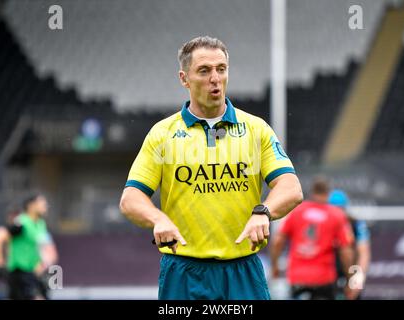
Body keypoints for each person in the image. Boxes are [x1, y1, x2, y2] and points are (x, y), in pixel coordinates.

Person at [119, 36, 303, 300]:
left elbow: (291, 187)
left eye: (221, 69)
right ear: (184, 79)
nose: (215, 78)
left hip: (243, 270)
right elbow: (130, 199)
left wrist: (264, 212)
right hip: (184, 271)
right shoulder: (162, 134)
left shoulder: (255, 129)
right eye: (204, 71)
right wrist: (158, 219)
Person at [270, 177, 355, 300]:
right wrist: (349, 279)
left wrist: (275, 266)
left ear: (311, 193)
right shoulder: (337, 215)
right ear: (328, 193)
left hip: (297, 278)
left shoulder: (296, 212)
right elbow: (346, 251)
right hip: (323, 279)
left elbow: (278, 241)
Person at [0, 193, 58, 300]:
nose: (46, 206)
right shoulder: (21, 223)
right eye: (42, 203)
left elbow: (46, 248)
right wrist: (0, 266)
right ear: (31, 206)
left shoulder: (40, 224)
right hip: (21, 273)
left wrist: (43, 264)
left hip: (33, 274)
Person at [329, 189, 371, 300]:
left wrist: (357, 281)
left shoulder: (357, 224)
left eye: (340, 209)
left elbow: (363, 254)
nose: (337, 213)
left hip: (350, 272)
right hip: (328, 274)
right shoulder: (324, 223)